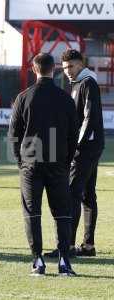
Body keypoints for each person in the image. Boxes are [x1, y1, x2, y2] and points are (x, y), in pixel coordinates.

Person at [8, 53, 78, 276]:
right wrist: (66, 161)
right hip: (58, 163)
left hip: (31, 164)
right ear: (54, 69)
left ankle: (38, 260)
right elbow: (73, 134)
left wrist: (21, 161)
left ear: (33, 70)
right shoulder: (65, 98)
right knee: (62, 213)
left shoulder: (23, 97)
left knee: (32, 213)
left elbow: (13, 135)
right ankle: (64, 261)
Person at [45, 49, 105, 258]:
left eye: (71, 66)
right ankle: (88, 246)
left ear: (80, 63)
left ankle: (67, 246)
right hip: (91, 145)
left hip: (85, 147)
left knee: (72, 193)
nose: (68, 71)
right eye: (64, 68)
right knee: (87, 195)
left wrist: (76, 145)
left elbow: (89, 117)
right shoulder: (81, 83)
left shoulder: (87, 83)